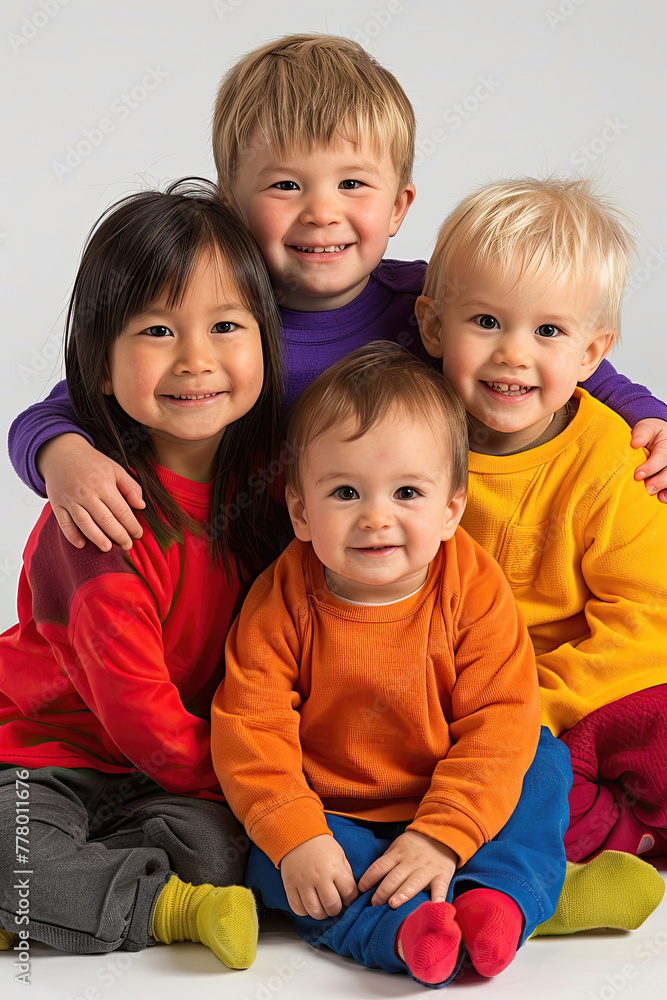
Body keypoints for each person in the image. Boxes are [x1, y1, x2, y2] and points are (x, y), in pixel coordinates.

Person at [7, 35, 667, 557]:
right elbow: (71, 397)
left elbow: (545, 345)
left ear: (400, 205)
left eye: (352, 184)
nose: (322, 212)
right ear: (229, 203)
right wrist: (61, 457)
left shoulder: (430, 302)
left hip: (386, 570)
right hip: (247, 578)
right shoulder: (206, 317)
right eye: (287, 186)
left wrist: (646, 414)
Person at [211, 342, 572, 987]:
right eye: (345, 492)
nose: (377, 517)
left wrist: (442, 833)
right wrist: (298, 835)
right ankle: (400, 933)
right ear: (300, 511)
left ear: (450, 510)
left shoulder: (472, 585)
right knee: (271, 862)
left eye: (408, 492)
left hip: (453, 790)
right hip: (335, 808)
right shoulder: (281, 597)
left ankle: (498, 898)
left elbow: (500, 716)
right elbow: (249, 725)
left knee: (541, 762)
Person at [0, 178, 286, 967]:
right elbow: (142, 719)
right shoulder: (98, 518)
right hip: (47, 756)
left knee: (226, 855)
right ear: (98, 366)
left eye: (226, 325)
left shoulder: (279, 484)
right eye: (157, 330)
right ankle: (163, 911)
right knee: (16, 851)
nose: (196, 359)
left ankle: (64, 906)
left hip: (168, 780)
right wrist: (255, 783)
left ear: (265, 338)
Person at [416, 176, 667, 870]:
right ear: (434, 326)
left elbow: (646, 619)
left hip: (590, 685)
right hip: (468, 699)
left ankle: (610, 821)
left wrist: (542, 702)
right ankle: (598, 840)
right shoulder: (412, 446)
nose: (513, 354)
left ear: (590, 354)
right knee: (468, 782)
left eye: (547, 331)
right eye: (486, 322)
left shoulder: (608, 461)